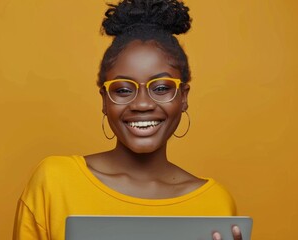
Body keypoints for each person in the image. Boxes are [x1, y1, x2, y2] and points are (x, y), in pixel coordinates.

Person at [13, 0, 242, 240]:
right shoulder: (54, 183)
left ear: (183, 97)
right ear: (105, 100)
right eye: (123, 90)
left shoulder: (215, 204)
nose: (142, 104)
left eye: (161, 87)